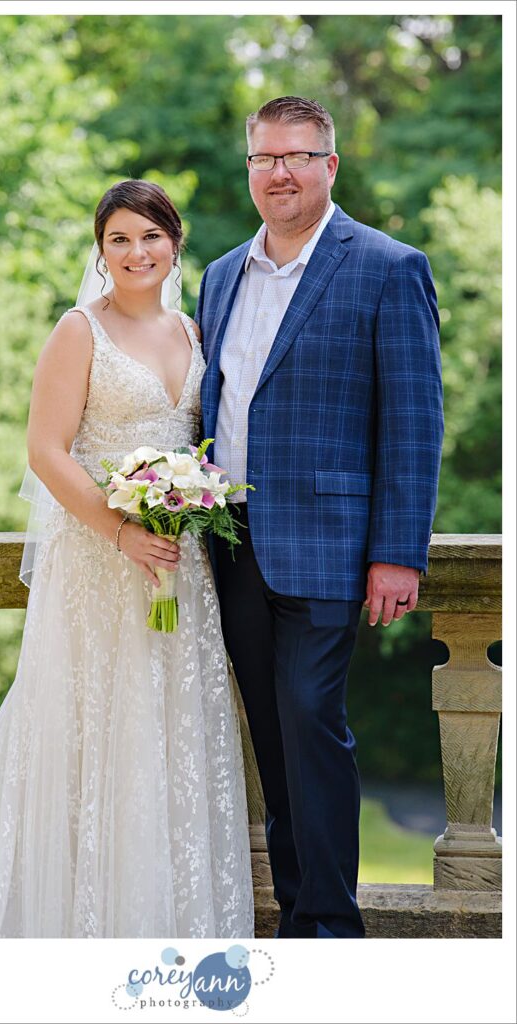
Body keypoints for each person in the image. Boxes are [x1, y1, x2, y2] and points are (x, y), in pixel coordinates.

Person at [0, 179, 254, 939]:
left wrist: (186, 507)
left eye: (149, 236)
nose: (134, 252)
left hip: (177, 566)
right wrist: (119, 532)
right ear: (100, 251)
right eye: (117, 239)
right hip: (95, 563)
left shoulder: (194, 331)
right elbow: (47, 452)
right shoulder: (78, 330)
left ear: (174, 243)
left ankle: (159, 923)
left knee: (166, 732)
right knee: (88, 730)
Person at [195, 96, 444, 939]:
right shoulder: (221, 274)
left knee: (311, 721)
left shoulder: (386, 266)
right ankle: (296, 914)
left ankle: (330, 930)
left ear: (329, 166)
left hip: (331, 547)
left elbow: (413, 421)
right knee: (270, 736)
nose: (279, 173)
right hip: (229, 545)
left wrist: (398, 553)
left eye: (296, 157)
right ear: (251, 169)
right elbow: (214, 406)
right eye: (263, 159)